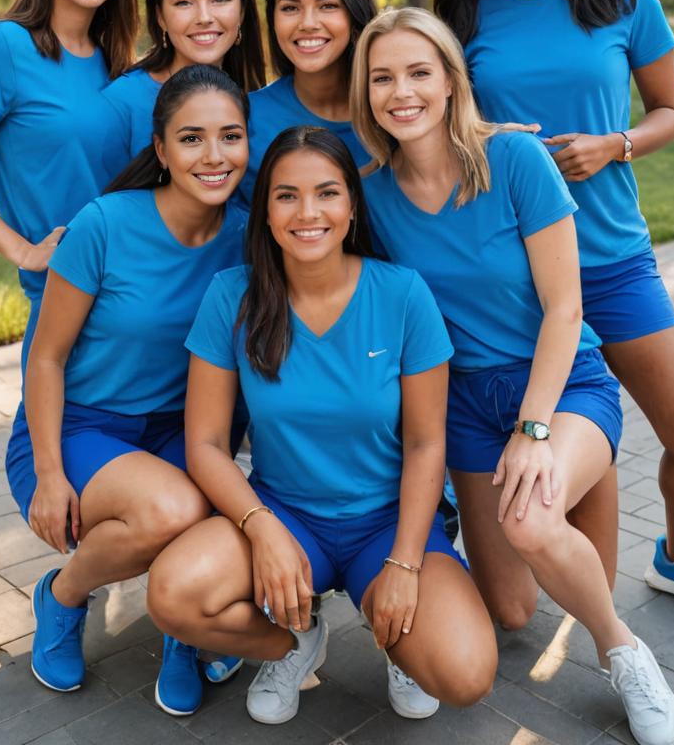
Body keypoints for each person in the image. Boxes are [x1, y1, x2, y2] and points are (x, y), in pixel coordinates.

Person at [352, 7, 674, 745]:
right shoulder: (369, 191)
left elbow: (567, 308)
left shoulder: (514, 161)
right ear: (364, 91)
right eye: (381, 77)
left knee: (529, 520)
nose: (400, 91)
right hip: (467, 403)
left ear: (450, 81)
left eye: (418, 72)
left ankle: (623, 651)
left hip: (561, 382)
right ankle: (559, 499)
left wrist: (535, 430)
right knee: (509, 608)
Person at [432, 0, 674, 622]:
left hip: (611, 258)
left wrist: (616, 143)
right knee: (522, 593)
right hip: (510, 275)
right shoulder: (462, 13)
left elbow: (673, 111)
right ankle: (458, 517)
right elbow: (436, 127)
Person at [147, 126, 497, 726]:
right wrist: (262, 529)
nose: (307, 212)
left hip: (387, 521)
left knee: (465, 674)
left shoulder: (402, 293)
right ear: (264, 209)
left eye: (327, 193)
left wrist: (405, 565)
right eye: (286, 195)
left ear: (352, 205)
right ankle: (296, 638)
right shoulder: (232, 296)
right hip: (286, 512)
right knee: (173, 594)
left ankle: (396, 636)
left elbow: (425, 442)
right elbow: (204, 444)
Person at [11, 66, 249, 713]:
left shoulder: (247, 238)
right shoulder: (104, 224)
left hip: (185, 427)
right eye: (192, 138)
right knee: (172, 512)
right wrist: (51, 472)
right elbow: (46, 358)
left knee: (216, 508)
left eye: (230, 136)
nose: (214, 155)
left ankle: (183, 629)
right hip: (81, 425)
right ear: (162, 147)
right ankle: (62, 595)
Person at [0, 0, 138, 511]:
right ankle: (66, 584)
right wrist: (21, 249)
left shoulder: (122, 63)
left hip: (138, 301)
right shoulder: (2, 49)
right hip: (65, 301)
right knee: (56, 479)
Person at [103, 0, 265, 167]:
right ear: (160, 16)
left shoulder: (258, 103)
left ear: (241, 11)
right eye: (183, 2)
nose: (204, 17)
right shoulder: (121, 105)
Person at [239, 0, 375, 207]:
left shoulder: (394, 111)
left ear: (354, 12)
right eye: (290, 8)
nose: (308, 23)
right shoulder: (245, 121)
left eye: (328, 6)